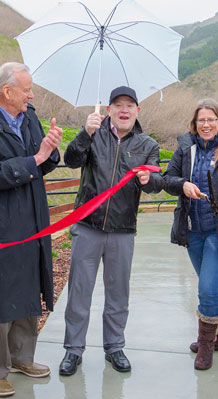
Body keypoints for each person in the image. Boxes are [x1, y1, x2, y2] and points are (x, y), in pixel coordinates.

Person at [0, 62, 62, 397]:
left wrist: (50, 148)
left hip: (32, 219)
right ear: (7, 91)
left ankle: (22, 358)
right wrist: (37, 158)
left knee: (27, 288)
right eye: (27, 89)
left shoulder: (29, 116)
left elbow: (42, 162)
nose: (31, 95)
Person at [59, 86, 163, 376]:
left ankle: (115, 347)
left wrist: (147, 179)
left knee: (118, 293)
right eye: (118, 105)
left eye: (130, 105)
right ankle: (73, 350)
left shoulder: (147, 144)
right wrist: (84, 134)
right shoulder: (94, 135)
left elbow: (157, 183)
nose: (124, 110)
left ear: (137, 111)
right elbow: (71, 160)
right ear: (108, 110)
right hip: (88, 227)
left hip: (122, 230)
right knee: (79, 290)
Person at [163, 99, 218, 370]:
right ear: (194, 123)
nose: (206, 124)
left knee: (206, 288)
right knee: (210, 285)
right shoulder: (185, 148)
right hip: (193, 231)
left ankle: (205, 346)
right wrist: (184, 184)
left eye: (211, 119)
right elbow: (167, 179)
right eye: (201, 120)